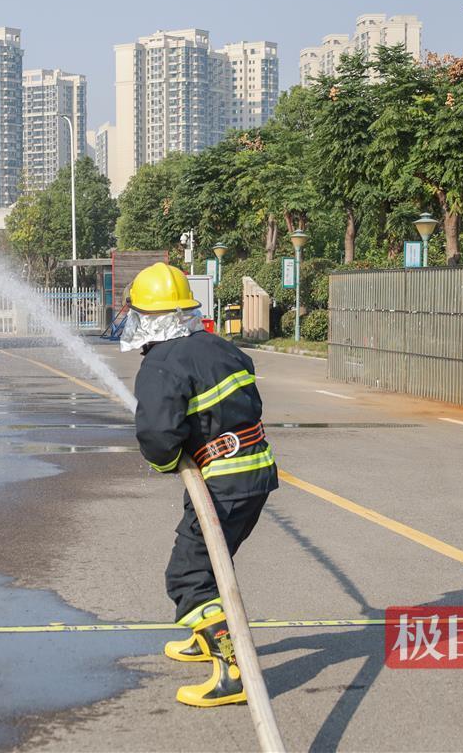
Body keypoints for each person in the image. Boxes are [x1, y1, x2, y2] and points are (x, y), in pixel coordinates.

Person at [121, 262, 277, 708]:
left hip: (223, 482)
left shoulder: (161, 363)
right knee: (210, 559)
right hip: (255, 472)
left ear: (145, 317)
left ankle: (234, 672)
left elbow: (156, 435)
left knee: (189, 576)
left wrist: (169, 461)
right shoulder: (221, 347)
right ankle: (204, 637)